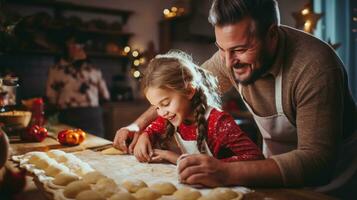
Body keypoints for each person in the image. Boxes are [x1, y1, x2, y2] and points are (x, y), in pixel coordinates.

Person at [113, 0, 356, 197]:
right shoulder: (229, 56)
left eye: (240, 50)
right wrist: (138, 126)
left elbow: (317, 163)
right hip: (274, 175)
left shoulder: (314, 68)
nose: (228, 63)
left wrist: (226, 172)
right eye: (221, 48)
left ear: (272, 34)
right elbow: (185, 90)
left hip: (332, 185)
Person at [133, 51, 264, 164]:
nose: (162, 113)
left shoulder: (218, 122)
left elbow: (255, 159)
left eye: (165, 103)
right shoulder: (172, 117)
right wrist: (144, 136)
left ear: (189, 91)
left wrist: (176, 158)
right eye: (156, 107)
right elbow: (153, 128)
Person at [46, 34, 110, 137]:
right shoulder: (56, 70)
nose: (76, 49)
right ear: (65, 47)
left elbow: (105, 96)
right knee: (69, 147)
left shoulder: (94, 69)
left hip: (92, 116)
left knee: (96, 147)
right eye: (72, 45)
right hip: (68, 115)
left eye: (79, 45)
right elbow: (51, 97)